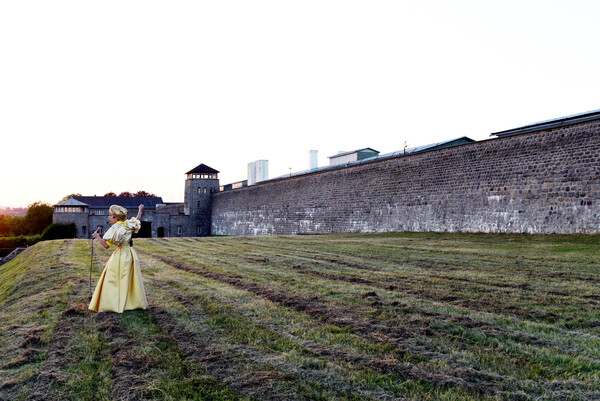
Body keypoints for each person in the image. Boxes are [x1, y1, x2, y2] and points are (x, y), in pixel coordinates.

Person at [88, 204, 148, 313]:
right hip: (130, 254)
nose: (108, 217)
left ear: (117, 218)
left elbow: (106, 246)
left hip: (120, 255)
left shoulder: (115, 229)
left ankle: (115, 303)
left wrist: (97, 237)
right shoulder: (127, 225)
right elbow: (137, 220)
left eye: (110, 216)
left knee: (114, 279)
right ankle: (130, 302)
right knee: (129, 278)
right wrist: (140, 210)